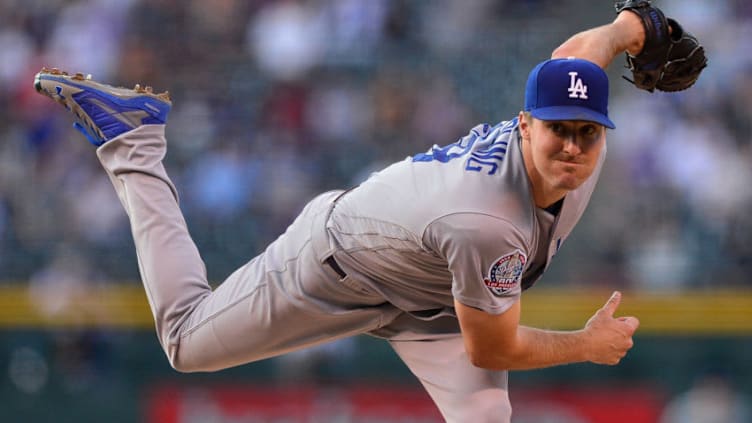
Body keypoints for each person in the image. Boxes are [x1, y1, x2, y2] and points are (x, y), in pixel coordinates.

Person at [33, 8, 649, 423]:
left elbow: (578, 57)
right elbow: (491, 348)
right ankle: (134, 142)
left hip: (432, 295)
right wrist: (584, 345)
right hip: (338, 267)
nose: (573, 145)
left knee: (487, 418)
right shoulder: (487, 220)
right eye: (558, 131)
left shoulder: (569, 133)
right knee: (186, 346)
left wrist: (631, 24)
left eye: (588, 133)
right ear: (524, 124)